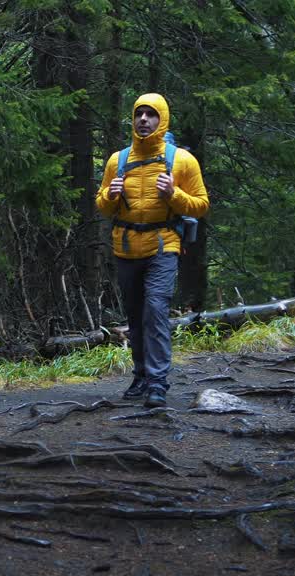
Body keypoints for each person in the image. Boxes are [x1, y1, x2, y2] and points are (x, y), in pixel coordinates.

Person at [95, 93, 209, 408]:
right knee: (134, 316)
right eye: (139, 114)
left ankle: (158, 383)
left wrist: (174, 195)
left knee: (155, 311)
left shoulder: (182, 161)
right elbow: (102, 204)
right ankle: (141, 376)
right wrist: (110, 196)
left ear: (162, 119)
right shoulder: (117, 161)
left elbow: (200, 205)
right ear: (132, 119)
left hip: (163, 245)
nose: (144, 119)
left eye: (151, 114)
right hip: (126, 247)